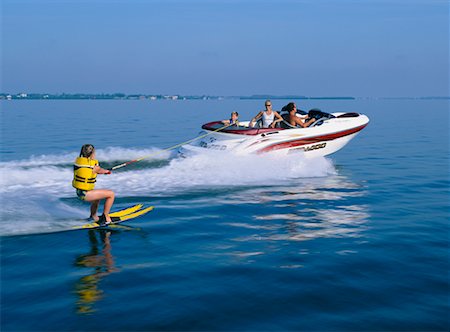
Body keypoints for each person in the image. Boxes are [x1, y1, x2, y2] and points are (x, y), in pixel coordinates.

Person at [72, 144, 115, 225]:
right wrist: (107, 171)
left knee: (97, 199)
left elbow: (88, 171)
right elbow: (101, 170)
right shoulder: (94, 166)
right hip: (85, 194)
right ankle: (106, 217)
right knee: (111, 194)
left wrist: (103, 171)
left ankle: (93, 216)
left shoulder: (78, 162)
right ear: (92, 153)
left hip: (79, 192)